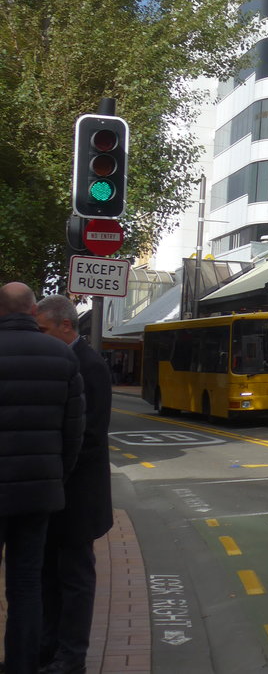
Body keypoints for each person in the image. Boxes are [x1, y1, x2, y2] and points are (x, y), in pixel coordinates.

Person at [0, 283, 84, 674]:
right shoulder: (62, 357)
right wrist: (56, 477)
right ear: (33, 310)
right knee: (26, 585)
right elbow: (74, 435)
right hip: (39, 492)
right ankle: (23, 665)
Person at [36, 295, 114, 674]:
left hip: (79, 497)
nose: (40, 336)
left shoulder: (90, 365)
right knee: (47, 575)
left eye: (44, 329)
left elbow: (92, 436)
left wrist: (57, 471)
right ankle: (47, 648)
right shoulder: (60, 361)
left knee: (75, 578)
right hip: (54, 491)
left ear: (66, 326)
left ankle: (71, 657)